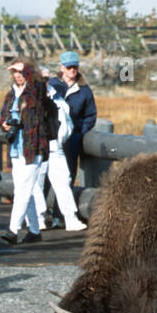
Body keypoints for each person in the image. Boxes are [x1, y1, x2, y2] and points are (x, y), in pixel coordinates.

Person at [0, 57, 51, 245]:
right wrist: (4, 123)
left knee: (23, 189)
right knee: (23, 189)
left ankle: (13, 230)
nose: (18, 76)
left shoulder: (36, 90)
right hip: (16, 147)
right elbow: (4, 113)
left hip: (33, 146)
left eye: (21, 72)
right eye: (15, 72)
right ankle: (35, 231)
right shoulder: (11, 93)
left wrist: (27, 69)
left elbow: (37, 85)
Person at [46, 51, 96, 226]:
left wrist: (79, 132)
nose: (72, 70)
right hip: (50, 137)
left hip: (71, 139)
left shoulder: (84, 90)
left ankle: (60, 217)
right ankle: (40, 216)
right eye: (69, 67)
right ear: (61, 68)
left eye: (75, 66)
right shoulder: (52, 84)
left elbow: (91, 116)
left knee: (67, 177)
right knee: (45, 177)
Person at [33, 81, 87, 232]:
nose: (43, 81)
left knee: (63, 181)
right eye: (40, 78)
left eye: (45, 78)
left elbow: (66, 121)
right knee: (36, 183)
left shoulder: (56, 97)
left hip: (55, 146)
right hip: (37, 147)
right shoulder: (29, 96)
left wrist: (61, 138)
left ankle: (71, 218)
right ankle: (38, 219)